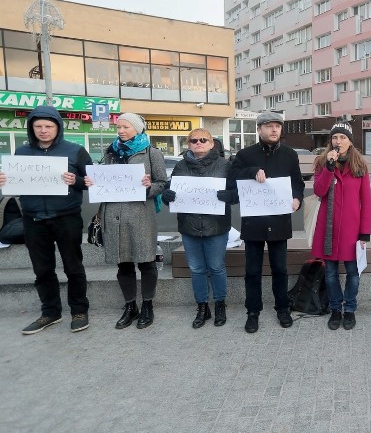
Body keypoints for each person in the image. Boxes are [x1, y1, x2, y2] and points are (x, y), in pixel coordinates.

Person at [0, 106, 93, 334]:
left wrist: (76, 181)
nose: (43, 130)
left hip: (67, 218)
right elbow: (13, 182)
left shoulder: (76, 150)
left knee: (73, 267)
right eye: (38, 126)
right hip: (32, 219)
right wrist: (4, 179)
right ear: (31, 128)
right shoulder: (21, 153)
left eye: (49, 126)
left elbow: (92, 181)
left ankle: (79, 311)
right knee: (42, 270)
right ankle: (50, 313)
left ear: (57, 127)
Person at [84, 113, 167, 330]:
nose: (121, 131)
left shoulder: (151, 153)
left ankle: (147, 305)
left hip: (140, 216)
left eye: (126, 127)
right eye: (119, 127)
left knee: (147, 262)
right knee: (123, 263)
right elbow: (103, 180)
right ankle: (130, 306)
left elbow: (162, 183)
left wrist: (149, 187)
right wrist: (92, 182)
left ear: (138, 129)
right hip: (112, 214)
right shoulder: (110, 152)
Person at [228, 111, 305, 333]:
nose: (274, 130)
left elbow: (297, 183)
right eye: (269, 126)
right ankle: (253, 312)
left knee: (280, 268)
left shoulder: (289, 154)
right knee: (252, 270)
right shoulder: (245, 154)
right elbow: (231, 180)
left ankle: (282, 308)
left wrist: (297, 199)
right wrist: (252, 171)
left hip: (279, 220)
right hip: (254, 221)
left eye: (278, 126)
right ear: (259, 129)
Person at [162, 128, 236, 329]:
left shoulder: (225, 166)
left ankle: (220, 304)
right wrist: (166, 197)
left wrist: (230, 196)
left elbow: (236, 193)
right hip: (189, 226)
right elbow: (171, 193)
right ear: (189, 144)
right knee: (196, 269)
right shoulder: (180, 167)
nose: (198, 143)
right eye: (194, 140)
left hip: (216, 226)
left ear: (212, 143)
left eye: (203, 139)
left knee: (216, 267)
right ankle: (202, 306)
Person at [311, 122, 371, 331]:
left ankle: (350, 309)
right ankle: (336, 309)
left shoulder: (360, 166)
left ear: (350, 141)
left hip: (351, 230)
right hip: (327, 230)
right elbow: (319, 191)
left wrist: (365, 232)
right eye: (335, 138)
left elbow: (366, 201)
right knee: (330, 273)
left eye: (343, 138)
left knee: (353, 272)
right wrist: (329, 168)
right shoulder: (322, 162)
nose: (338, 142)